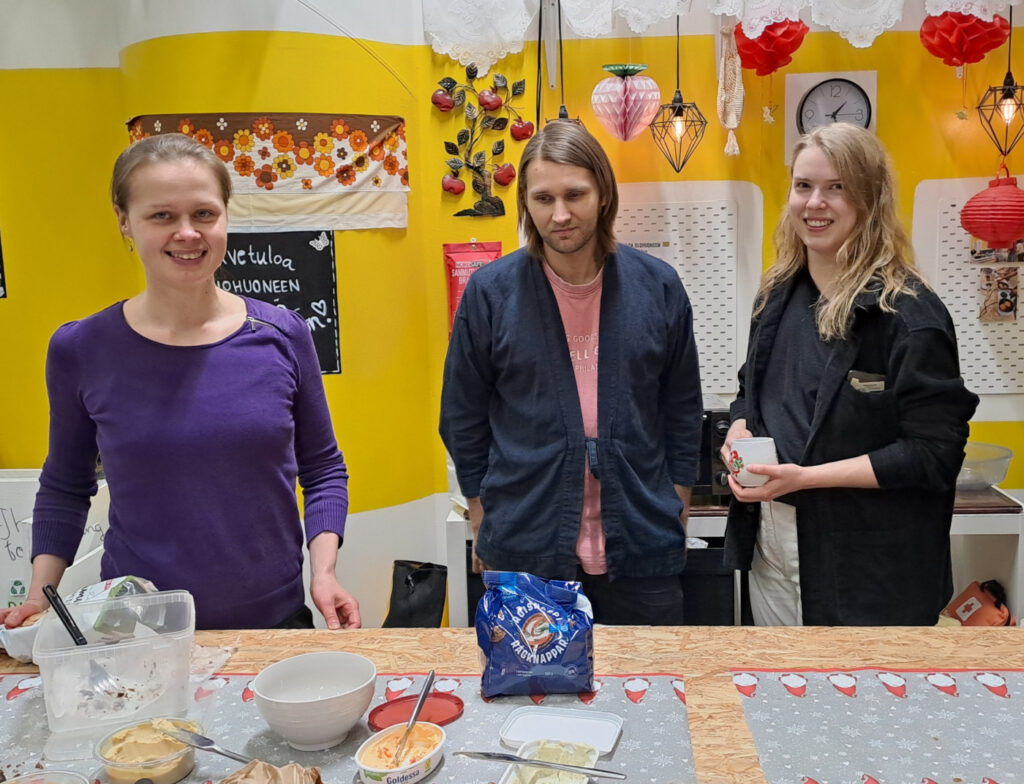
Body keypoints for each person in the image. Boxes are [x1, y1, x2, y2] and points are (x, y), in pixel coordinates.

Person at [0, 134, 360, 631]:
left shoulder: (282, 333)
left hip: (272, 624)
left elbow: (323, 471)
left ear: (226, 217)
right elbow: (65, 485)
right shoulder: (80, 349)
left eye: (205, 214)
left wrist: (324, 573)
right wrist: (43, 596)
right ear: (124, 221)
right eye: (162, 216)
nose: (188, 233)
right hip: (136, 632)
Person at [439, 121, 703, 625]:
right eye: (542, 199)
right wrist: (482, 519)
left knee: (652, 696)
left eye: (575, 194)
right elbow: (461, 416)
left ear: (603, 193)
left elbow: (683, 411)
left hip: (642, 549)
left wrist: (677, 507)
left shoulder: (659, 287)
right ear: (525, 204)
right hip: (526, 549)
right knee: (530, 701)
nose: (559, 214)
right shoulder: (492, 294)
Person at [721, 123, 978, 626]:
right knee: (781, 692)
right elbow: (750, 390)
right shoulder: (777, 297)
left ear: (871, 199)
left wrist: (806, 479)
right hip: (772, 543)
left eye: (837, 188)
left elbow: (934, 454)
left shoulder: (910, 316)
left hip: (872, 562)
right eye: (804, 186)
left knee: (867, 699)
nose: (815, 203)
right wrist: (738, 426)